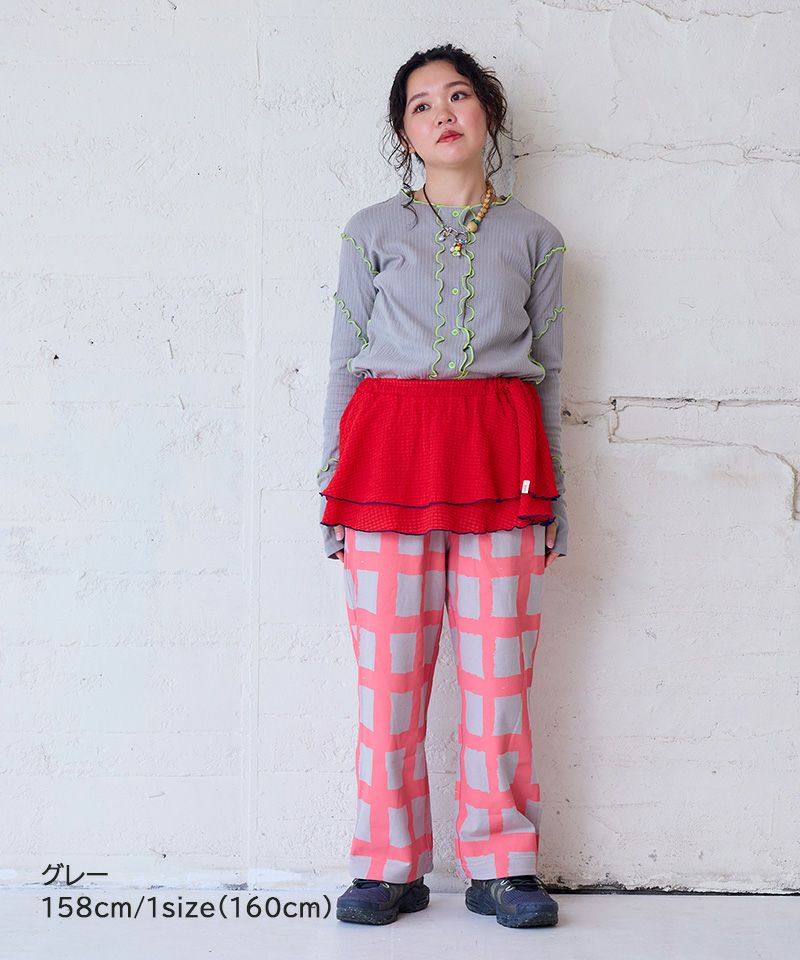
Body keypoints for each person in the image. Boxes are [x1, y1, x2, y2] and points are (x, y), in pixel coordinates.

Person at [316, 43, 568, 929]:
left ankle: (504, 866)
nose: (443, 113)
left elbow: (551, 375)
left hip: (503, 461)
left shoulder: (536, 237)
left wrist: (555, 500)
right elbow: (343, 362)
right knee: (390, 686)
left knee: (500, 682)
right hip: (386, 461)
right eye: (422, 104)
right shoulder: (370, 231)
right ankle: (388, 866)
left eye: (459, 96)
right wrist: (331, 489)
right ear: (405, 132)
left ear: (486, 114)